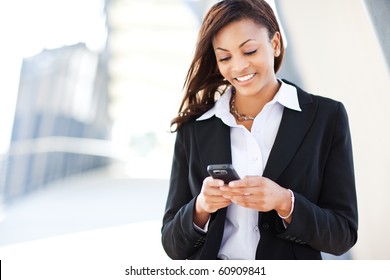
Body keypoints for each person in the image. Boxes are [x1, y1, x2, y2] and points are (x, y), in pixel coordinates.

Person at [161, 0, 358, 260]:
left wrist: (285, 203)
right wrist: (201, 206)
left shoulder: (326, 117)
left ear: (275, 44)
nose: (239, 66)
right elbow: (173, 246)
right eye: (225, 57)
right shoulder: (194, 129)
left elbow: (342, 234)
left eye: (250, 51)